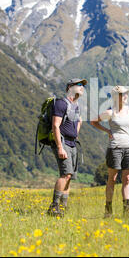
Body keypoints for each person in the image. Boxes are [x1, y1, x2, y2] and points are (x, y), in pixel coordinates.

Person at [90, 85, 129, 218]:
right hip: (115, 147)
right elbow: (94, 122)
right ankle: (108, 210)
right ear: (115, 97)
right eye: (121, 94)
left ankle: (126, 210)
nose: (125, 96)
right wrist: (107, 131)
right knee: (112, 179)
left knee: (127, 180)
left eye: (125, 94)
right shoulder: (109, 112)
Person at [47, 78, 87, 217]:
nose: (82, 87)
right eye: (79, 85)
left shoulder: (76, 106)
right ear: (70, 87)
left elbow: (79, 121)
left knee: (69, 177)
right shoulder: (61, 103)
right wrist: (59, 147)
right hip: (63, 142)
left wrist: (75, 135)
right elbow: (55, 125)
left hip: (72, 143)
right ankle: (54, 206)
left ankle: (63, 207)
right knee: (65, 174)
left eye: (83, 85)